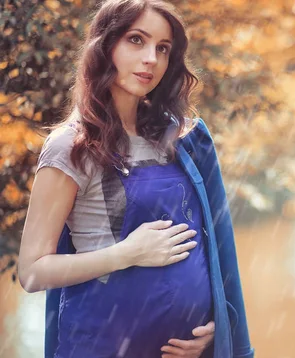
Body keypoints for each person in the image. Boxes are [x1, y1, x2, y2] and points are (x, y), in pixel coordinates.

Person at [17, 0, 254, 357]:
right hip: (101, 346)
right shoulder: (71, 145)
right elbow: (32, 271)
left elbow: (213, 247)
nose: (151, 59)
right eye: (136, 40)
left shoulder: (181, 140)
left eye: (163, 49)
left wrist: (215, 325)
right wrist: (126, 253)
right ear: (105, 46)